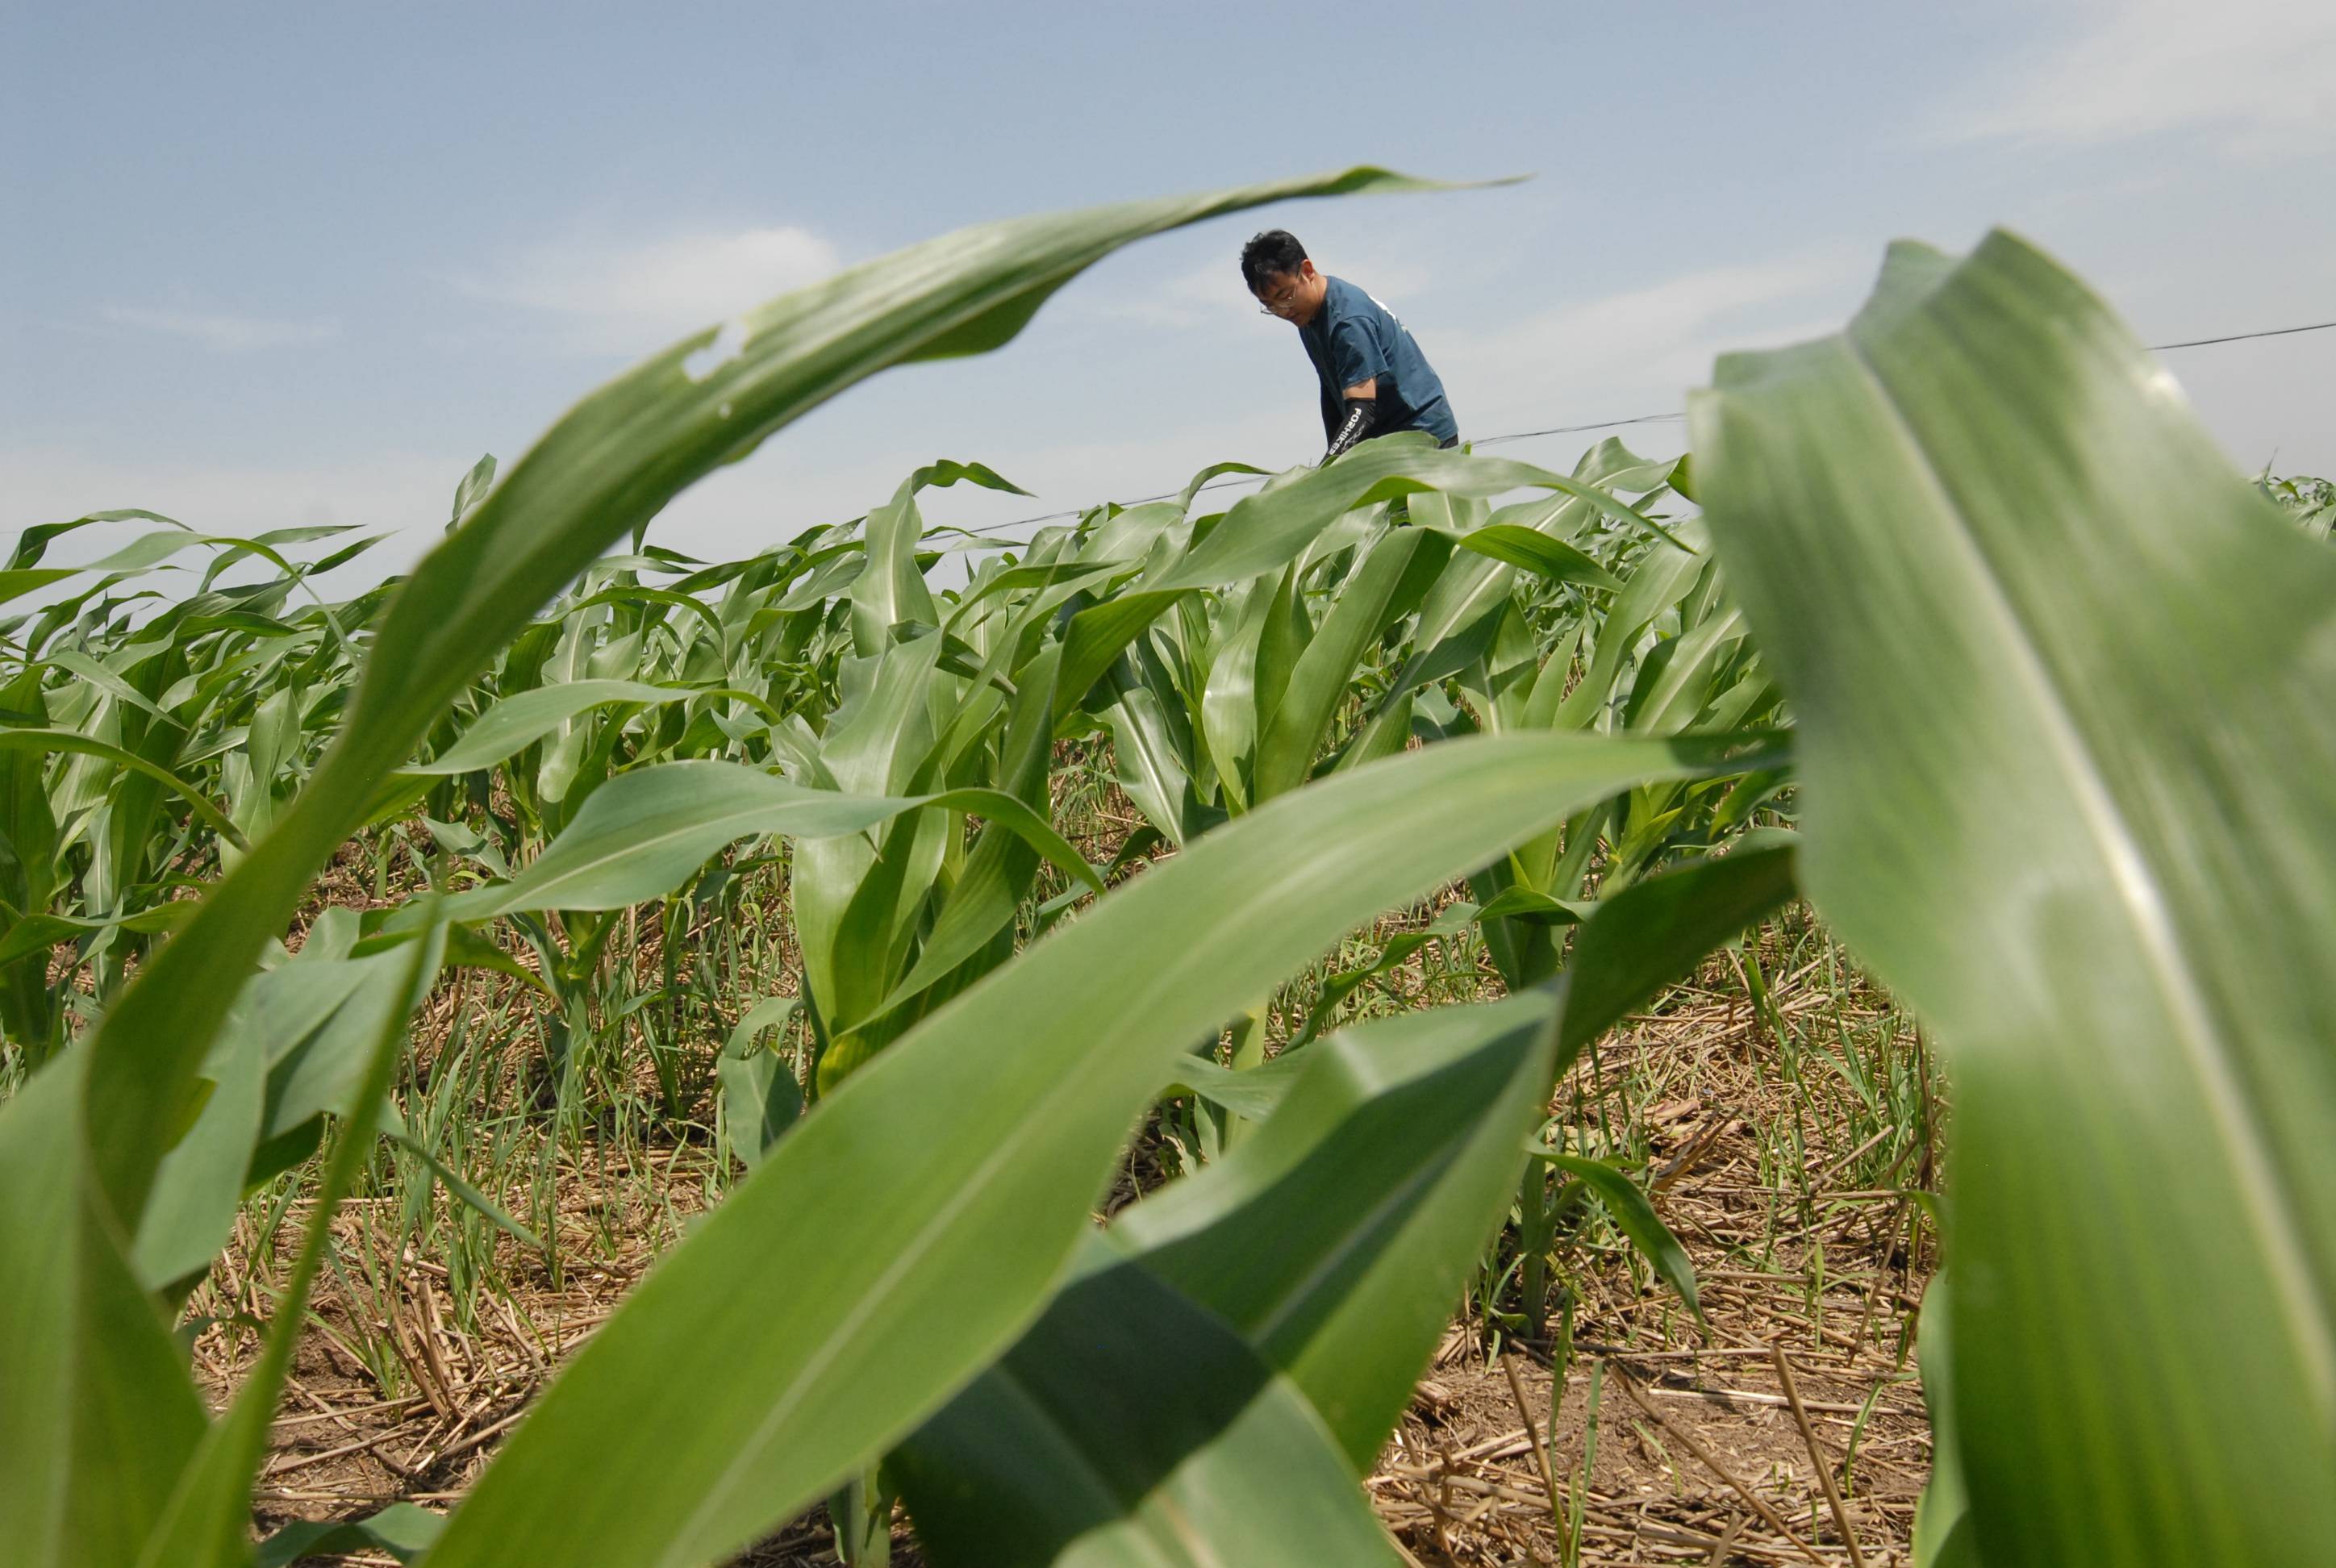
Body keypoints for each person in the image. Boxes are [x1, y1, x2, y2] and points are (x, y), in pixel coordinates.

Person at [1240, 229, 1459, 462]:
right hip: (1385, 441)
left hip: (1423, 436)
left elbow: (1362, 411)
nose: (1283, 311)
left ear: (1307, 271)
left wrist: (1330, 465)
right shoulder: (1307, 316)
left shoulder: (1348, 320)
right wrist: (1332, 459)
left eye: (1285, 296)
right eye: (1269, 305)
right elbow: (1332, 392)